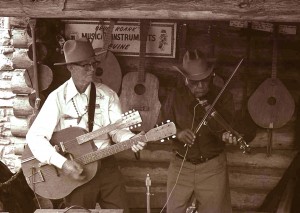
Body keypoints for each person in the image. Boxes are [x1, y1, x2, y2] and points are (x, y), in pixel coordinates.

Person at [26, 38, 146, 212]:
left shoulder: (107, 95)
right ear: (70, 67)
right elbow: (34, 137)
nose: (92, 69)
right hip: (76, 169)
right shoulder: (57, 98)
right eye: (85, 65)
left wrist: (131, 138)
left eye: (93, 63)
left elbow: (118, 130)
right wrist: (62, 163)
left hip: (106, 166)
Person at [162, 49, 256, 213]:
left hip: (212, 168)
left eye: (204, 81)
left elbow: (228, 126)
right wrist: (178, 133)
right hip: (181, 166)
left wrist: (227, 135)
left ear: (211, 76)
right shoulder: (175, 96)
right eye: (194, 82)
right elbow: (161, 127)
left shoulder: (223, 96)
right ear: (186, 79)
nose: (200, 86)